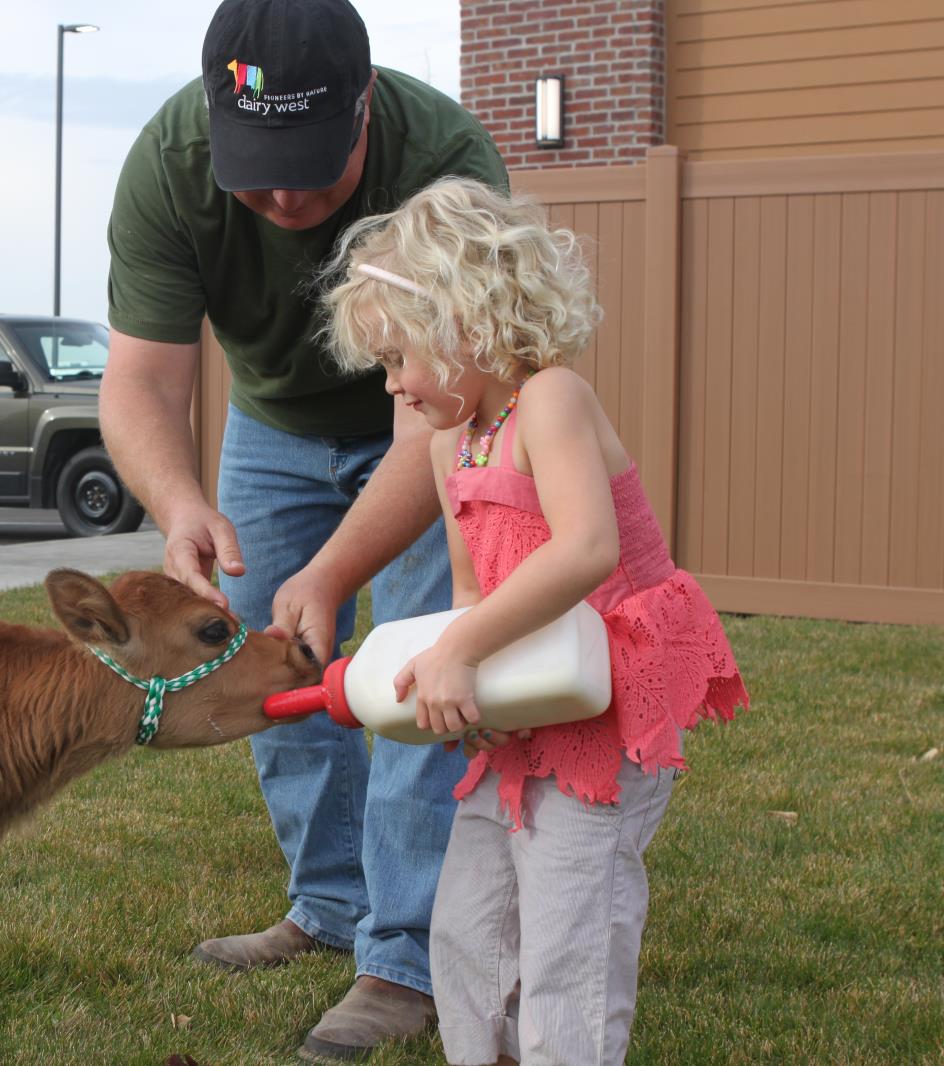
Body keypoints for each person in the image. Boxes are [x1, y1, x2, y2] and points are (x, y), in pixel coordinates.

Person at [101, 0, 508, 1057]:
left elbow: (439, 411)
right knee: (271, 672)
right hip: (273, 426)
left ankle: (403, 958)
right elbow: (142, 376)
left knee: (417, 676)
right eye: (257, 165)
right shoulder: (169, 164)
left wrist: (333, 571)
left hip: (436, 418)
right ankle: (328, 903)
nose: (281, 192)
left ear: (364, 106)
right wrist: (180, 502)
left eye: (309, 163)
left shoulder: (446, 163)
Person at [321, 176, 749, 1064]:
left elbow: (587, 547)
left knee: (569, 927)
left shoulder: (551, 400)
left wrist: (462, 648)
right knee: (468, 925)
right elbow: (478, 592)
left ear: (465, 321)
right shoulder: (450, 444)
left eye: (399, 358)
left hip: (604, 710)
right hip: (530, 705)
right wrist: (472, 685)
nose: (393, 387)